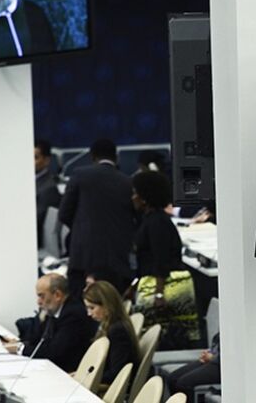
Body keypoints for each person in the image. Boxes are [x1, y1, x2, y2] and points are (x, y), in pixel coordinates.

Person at [59, 139, 136, 295]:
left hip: (83, 255)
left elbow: (64, 213)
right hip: (116, 258)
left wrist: (82, 230)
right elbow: (133, 218)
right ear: (116, 157)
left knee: (82, 307)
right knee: (111, 307)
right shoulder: (128, 182)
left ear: (92, 156)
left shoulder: (79, 175)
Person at [132, 171, 198, 349]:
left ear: (145, 197)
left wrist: (159, 294)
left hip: (162, 288)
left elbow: (161, 259)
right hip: (152, 283)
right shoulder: (151, 219)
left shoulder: (157, 223)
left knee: (158, 340)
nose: (133, 197)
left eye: (135, 193)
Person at [4, 274, 95, 372]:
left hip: (69, 373)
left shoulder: (73, 315)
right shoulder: (54, 310)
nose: (38, 302)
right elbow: (39, 340)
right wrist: (18, 343)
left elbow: (53, 351)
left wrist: (20, 348)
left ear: (57, 295)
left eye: (41, 296)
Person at [82, 281, 139, 384]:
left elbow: (116, 373)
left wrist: (85, 377)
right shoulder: (110, 325)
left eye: (92, 308)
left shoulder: (117, 331)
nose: (89, 314)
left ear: (107, 305)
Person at [35, 139, 61, 249]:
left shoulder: (48, 188)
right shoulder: (27, 182)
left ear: (46, 160)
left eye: (35, 158)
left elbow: (36, 221)